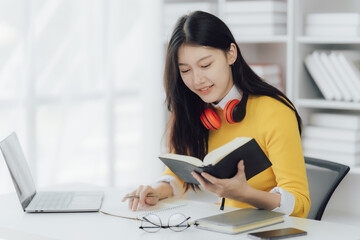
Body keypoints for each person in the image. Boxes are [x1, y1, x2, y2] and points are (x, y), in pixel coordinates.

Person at [122, 11, 310, 218]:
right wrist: (156, 190)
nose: (197, 80)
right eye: (185, 70)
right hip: (223, 225)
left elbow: (300, 203)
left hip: (266, 229)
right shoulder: (193, 107)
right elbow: (181, 176)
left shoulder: (275, 112)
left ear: (231, 54)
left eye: (205, 65)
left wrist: (245, 194)